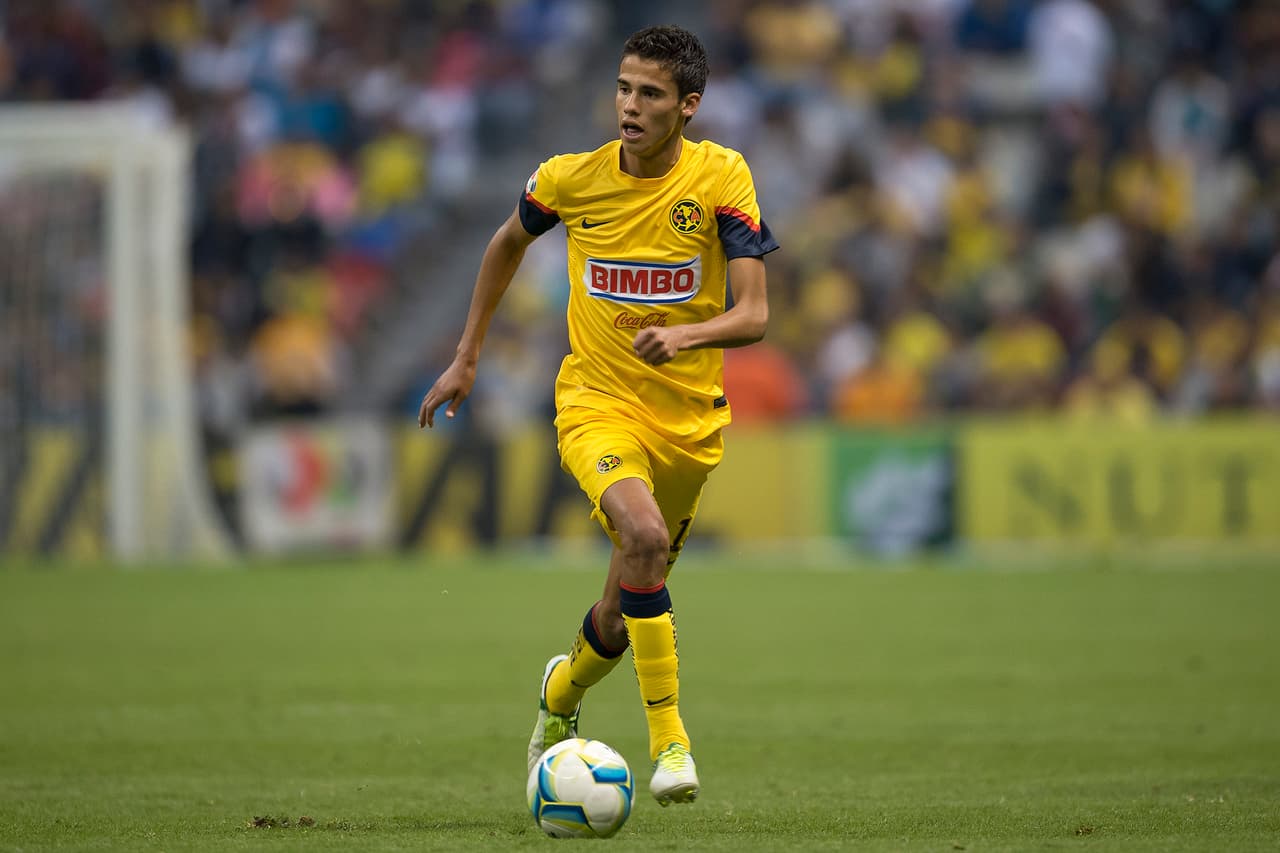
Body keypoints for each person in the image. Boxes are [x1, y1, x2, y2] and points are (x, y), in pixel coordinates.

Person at [418, 24, 779, 806]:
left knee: (619, 613)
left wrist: (686, 334)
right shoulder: (569, 179)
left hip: (689, 425)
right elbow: (505, 243)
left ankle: (559, 694)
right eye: (623, 88)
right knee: (642, 535)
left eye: (650, 93)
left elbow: (754, 313)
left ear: (688, 105)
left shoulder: (722, 177)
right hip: (596, 403)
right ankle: (671, 744)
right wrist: (468, 354)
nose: (629, 106)